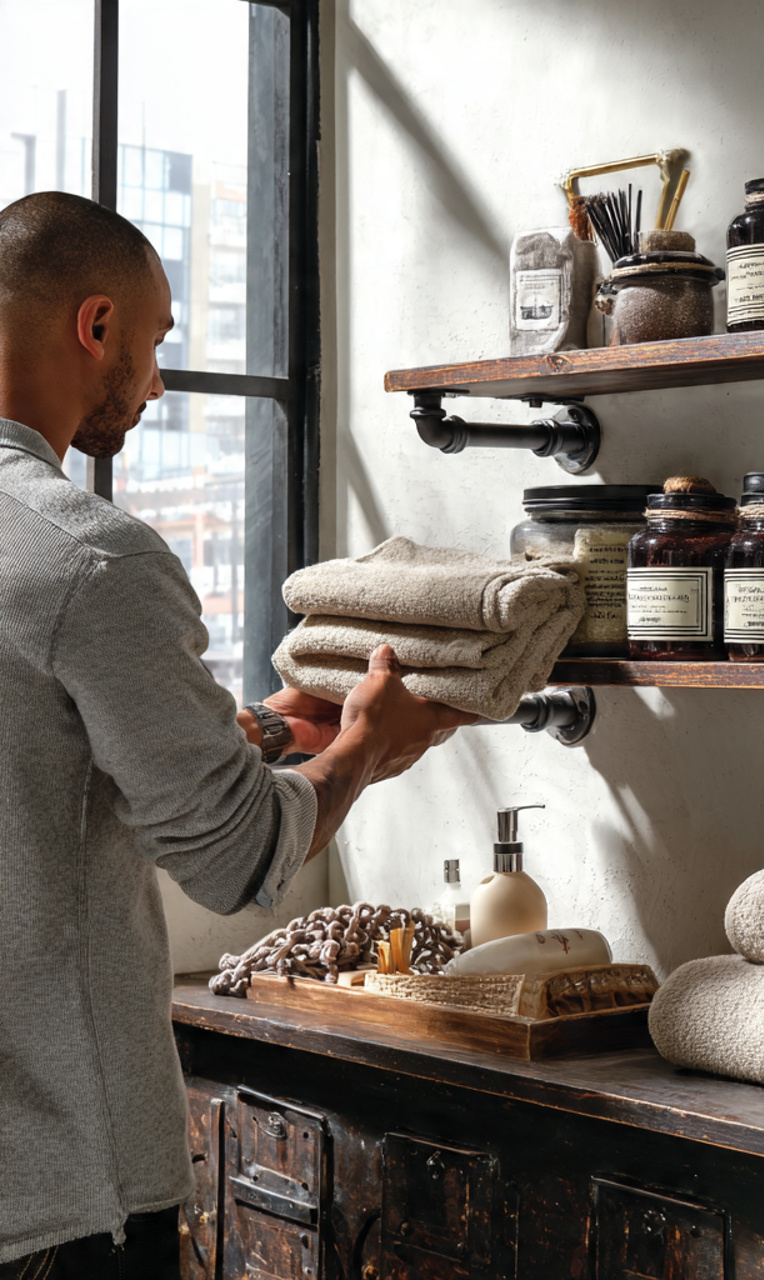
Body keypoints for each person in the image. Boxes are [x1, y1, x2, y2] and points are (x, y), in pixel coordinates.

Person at [0, 191, 475, 1278]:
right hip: (61, 1196)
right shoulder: (89, 559)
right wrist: (366, 746)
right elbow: (231, 856)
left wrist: (262, 729)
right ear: (97, 325)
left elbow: (43, 750)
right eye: (156, 342)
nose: (158, 384)